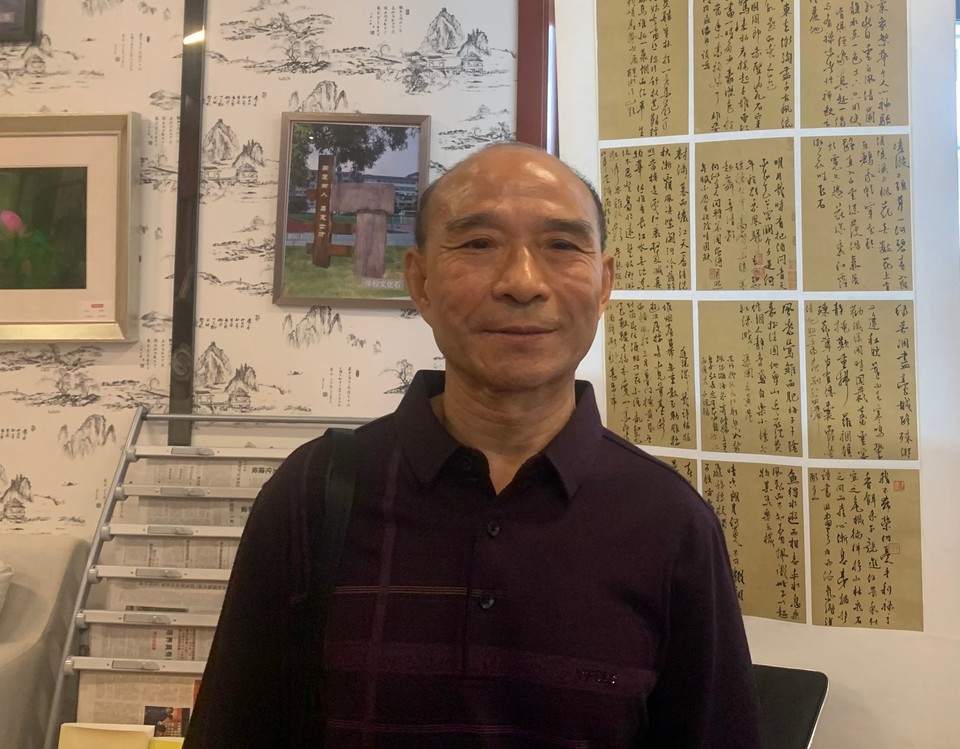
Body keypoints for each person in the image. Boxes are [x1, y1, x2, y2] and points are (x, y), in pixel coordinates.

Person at [186, 143, 761, 747]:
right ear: (420, 281)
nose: (522, 283)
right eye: (478, 243)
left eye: (562, 245)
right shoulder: (317, 490)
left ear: (604, 283)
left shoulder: (670, 521)